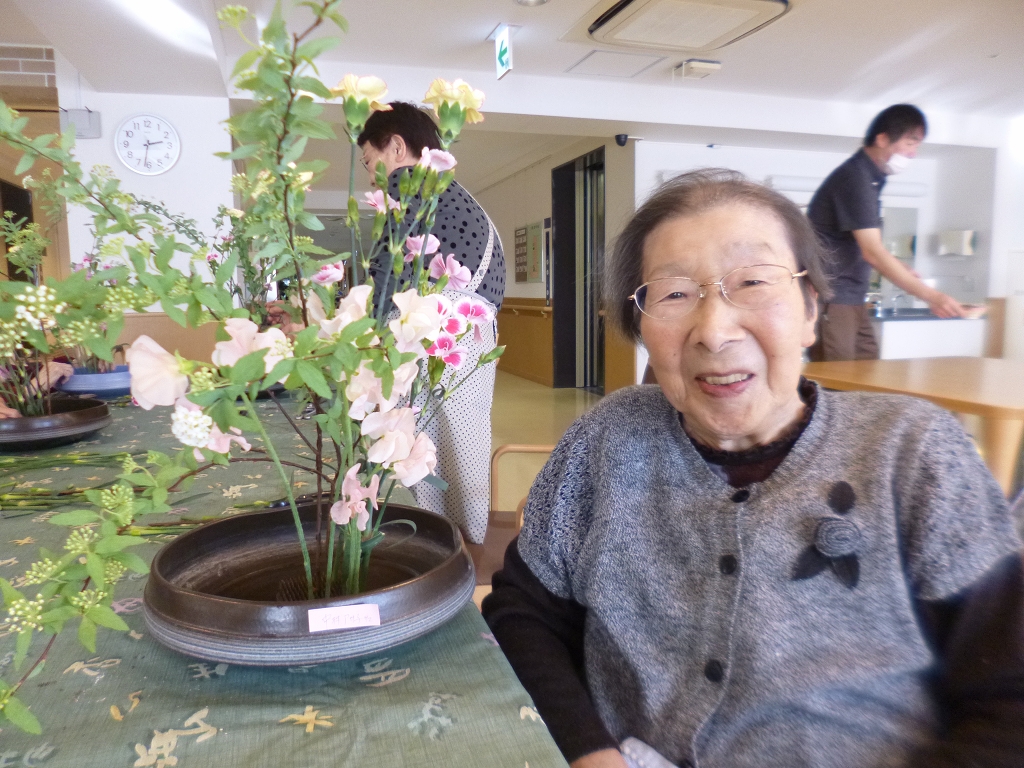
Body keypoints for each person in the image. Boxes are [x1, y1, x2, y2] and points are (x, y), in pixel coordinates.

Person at [482, 169, 1024, 768]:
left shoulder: (913, 448)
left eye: (753, 282)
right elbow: (523, 613)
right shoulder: (606, 439)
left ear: (811, 310)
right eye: (674, 294)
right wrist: (589, 752)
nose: (714, 331)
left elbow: (1009, 699)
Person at [356, 102, 506, 545]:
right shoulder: (456, 193)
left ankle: (435, 543)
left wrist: (361, 334)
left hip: (436, 328)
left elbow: (388, 272)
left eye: (368, 161)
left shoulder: (409, 184)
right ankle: (464, 539)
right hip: (470, 332)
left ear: (396, 147)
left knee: (420, 443)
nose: (371, 177)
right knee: (461, 442)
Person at [807, 104, 965, 361]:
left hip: (851, 298)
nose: (913, 153)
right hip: (834, 299)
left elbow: (865, 246)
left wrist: (899, 267)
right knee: (838, 379)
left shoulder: (870, 179)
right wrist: (931, 296)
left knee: (868, 373)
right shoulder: (855, 178)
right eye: (910, 143)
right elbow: (873, 252)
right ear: (882, 139)